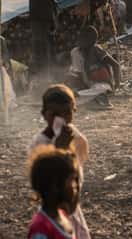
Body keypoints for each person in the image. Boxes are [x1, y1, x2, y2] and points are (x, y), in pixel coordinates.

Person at [29, 85, 89, 239]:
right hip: (53, 205)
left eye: (67, 112)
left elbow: (77, 173)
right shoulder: (39, 143)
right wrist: (60, 149)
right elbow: (45, 181)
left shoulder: (75, 137)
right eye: (55, 114)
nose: (61, 119)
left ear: (74, 111)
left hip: (72, 205)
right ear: (44, 114)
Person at [26, 146, 80, 239]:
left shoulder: (62, 214)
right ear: (54, 186)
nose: (75, 186)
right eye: (71, 180)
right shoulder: (41, 228)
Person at [65, 25, 120, 107]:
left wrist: (116, 85)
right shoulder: (77, 52)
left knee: (101, 89)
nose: (79, 40)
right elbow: (78, 72)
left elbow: (116, 65)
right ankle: (80, 94)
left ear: (90, 40)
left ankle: (78, 94)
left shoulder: (96, 49)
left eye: (82, 38)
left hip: (102, 84)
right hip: (89, 84)